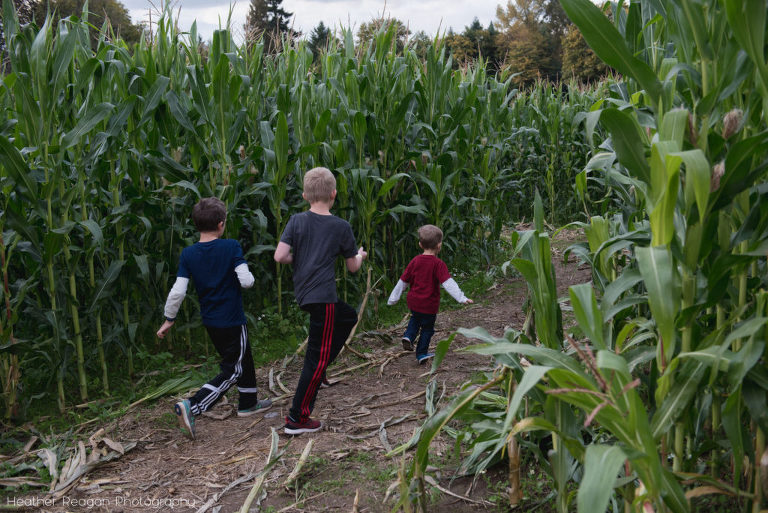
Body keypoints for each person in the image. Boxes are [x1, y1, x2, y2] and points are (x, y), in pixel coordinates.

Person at [157, 197, 272, 440]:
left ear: (197, 225)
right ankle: (193, 406)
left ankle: (248, 402)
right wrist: (245, 277)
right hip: (232, 318)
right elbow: (247, 281)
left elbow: (178, 291)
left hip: (211, 321)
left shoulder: (188, 254)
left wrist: (169, 318)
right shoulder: (230, 247)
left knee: (243, 356)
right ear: (221, 224)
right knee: (233, 368)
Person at [274, 167, 367, 435]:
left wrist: (299, 259)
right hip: (323, 297)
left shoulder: (296, 220)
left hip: (305, 295)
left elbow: (280, 256)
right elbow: (352, 267)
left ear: (305, 195)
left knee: (348, 316)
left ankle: (322, 368)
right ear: (334, 194)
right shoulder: (341, 226)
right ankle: (297, 418)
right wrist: (360, 255)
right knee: (315, 357)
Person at [387, 224, 473, 364]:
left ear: (420, 244)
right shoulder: (438, 264)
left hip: (414, 302)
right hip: (429, 304)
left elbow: (403, 281)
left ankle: (408, 336)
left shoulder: (414, 261)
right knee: (427, 329)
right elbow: (448, 283)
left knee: (415, 319)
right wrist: (461, 298)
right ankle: (421, 354)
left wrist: (393, 298)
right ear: (439, 245)